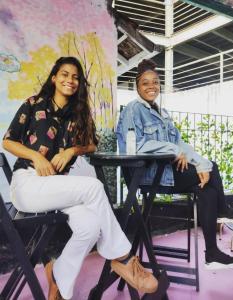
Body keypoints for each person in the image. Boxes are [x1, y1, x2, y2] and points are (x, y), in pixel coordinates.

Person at [2, 57, 158, 300]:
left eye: (75, 77)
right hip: (27, 185)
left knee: (91, 227)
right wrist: (37, 157)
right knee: (94, 187)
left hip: (55, 188)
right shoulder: (34, 103)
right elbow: (8, 141)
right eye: (64, 74)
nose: (70, 80)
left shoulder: (78, 113)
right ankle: (123, 258)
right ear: (54, 78)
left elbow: (92, 144)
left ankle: (58, 280)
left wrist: (72, 150)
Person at [116, 58, 233, 270]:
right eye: (145, 83)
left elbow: (179, 142)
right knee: (215, 168)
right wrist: (173, 150)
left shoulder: (162, 113)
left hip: (169, 171)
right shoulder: (132, 109)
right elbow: (134, 146)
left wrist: (198, 162)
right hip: (149, 175)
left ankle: (212, 253)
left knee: (207, 186)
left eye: (155, 82)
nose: (151, 86)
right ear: (137, 86)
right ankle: (224, 208)